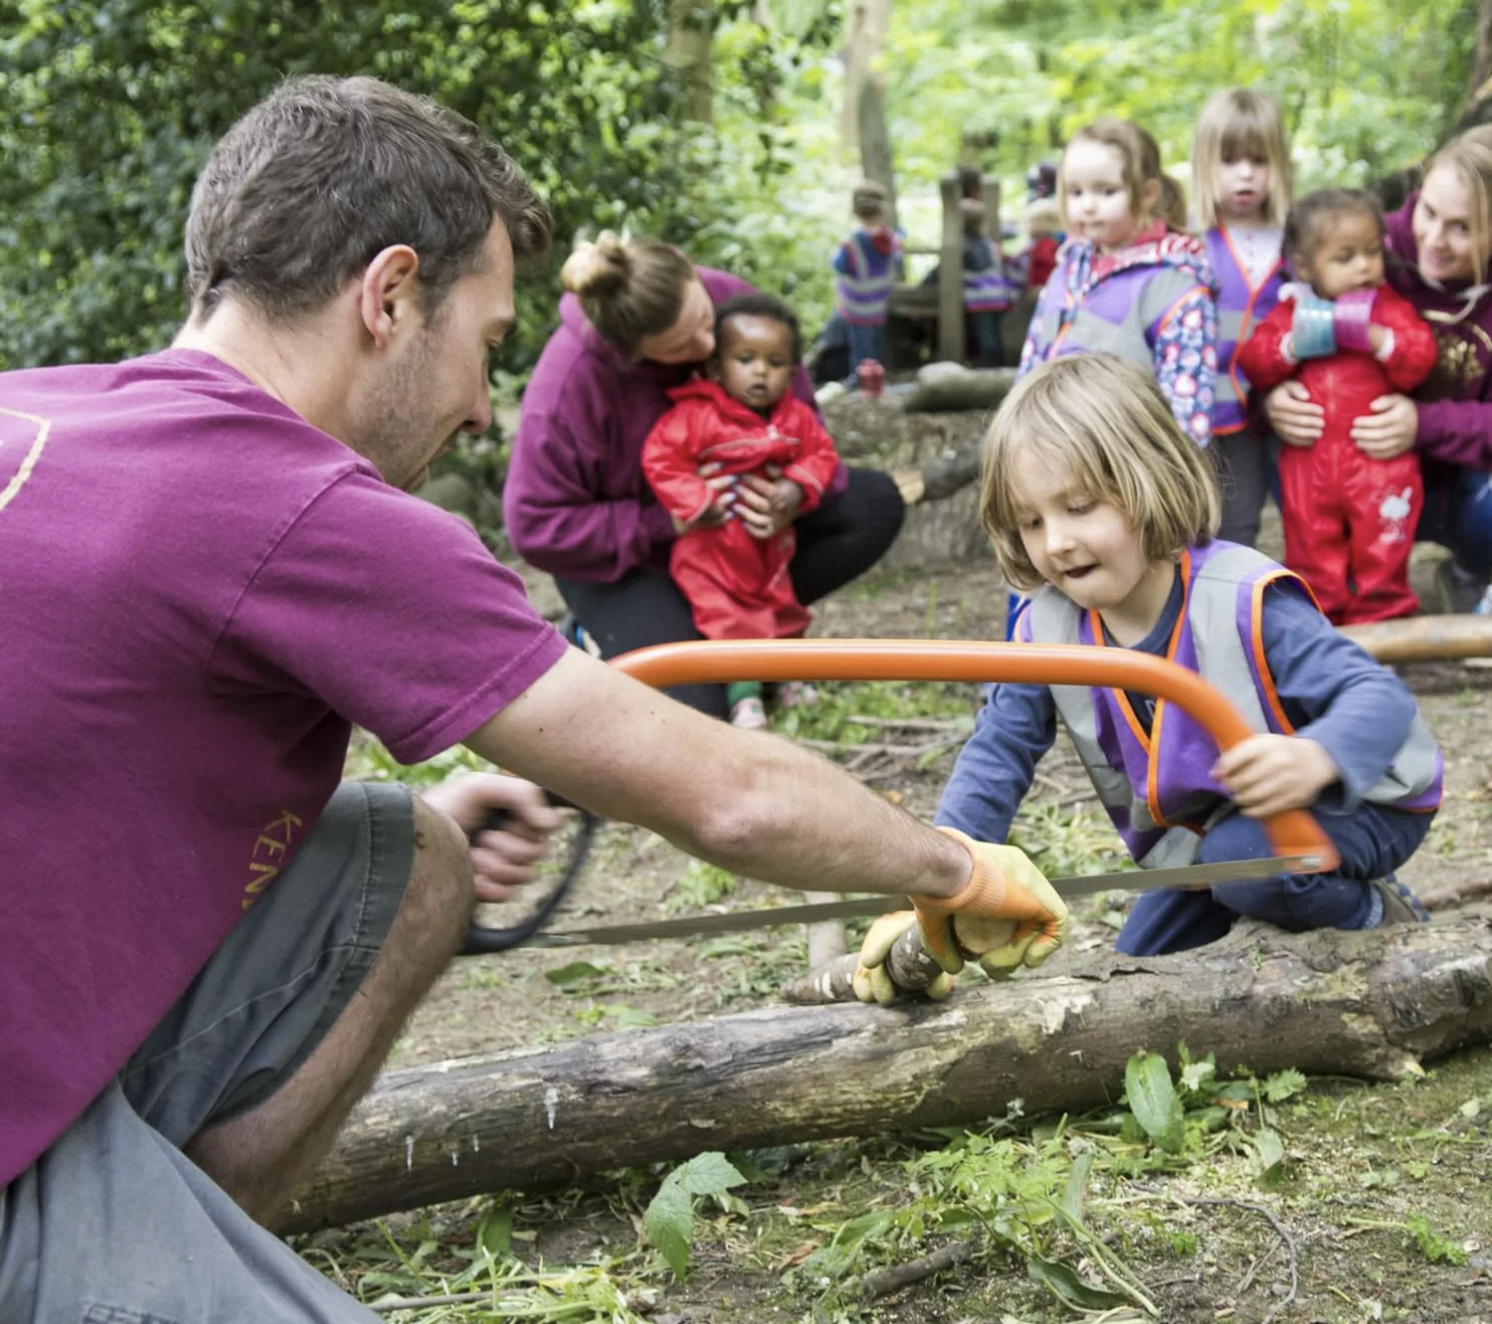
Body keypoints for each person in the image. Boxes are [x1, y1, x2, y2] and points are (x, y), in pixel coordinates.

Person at [0, 76, 1069, 1324]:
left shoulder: (41, 405)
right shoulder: (295, 502)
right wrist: (955, 869)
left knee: (405, 851)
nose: (479, 407)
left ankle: (174, 1253)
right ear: (388, 295)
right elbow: (725, 795)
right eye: (488, 342)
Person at [932, 353, 1441, 960]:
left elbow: (1380, 699)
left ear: (1149, 480)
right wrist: (945, 867)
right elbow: (999, 749)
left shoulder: (1244, 598)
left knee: (1246, 862)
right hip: (1214, 837)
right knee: (1135, 971)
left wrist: (1317, 757)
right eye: (1031, 523)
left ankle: (1381, 922)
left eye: (1079, 506)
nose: (1057, 541)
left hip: (1361, 801)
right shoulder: (1046, 627)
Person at [504, 233, 906, 720]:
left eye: (703, 320)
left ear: (691, 275)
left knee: (874, 504)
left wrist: (794, 492)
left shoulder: (731, 303)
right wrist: (666, 522)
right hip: (636, 560)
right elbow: (535, 526)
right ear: (632, 354)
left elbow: (805, 425)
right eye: (681, 346)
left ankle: (749, 630)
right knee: (696, 716)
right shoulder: (569, 385)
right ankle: (617, 632)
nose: (708, 344)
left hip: (742, 541)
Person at [1263, 126, 1492, 613]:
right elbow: (1275, 328)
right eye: (1429, 212)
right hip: (1350, 460)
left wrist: (1422, 424)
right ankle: (1326, 594)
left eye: (1463, 228)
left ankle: (1471, 570)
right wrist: (1270, 397)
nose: (1433, 239)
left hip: (1463, 482)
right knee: (1285, 448)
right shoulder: (1363, 243)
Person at [1238, 190, 1439, 623]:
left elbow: (1419, 359)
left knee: (1384, 540)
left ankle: (1384, 615)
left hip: (1378, 458)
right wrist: (1292, 343)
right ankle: (1320, 617)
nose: (1364, 266)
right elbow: (1254, 360)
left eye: (1371, 252)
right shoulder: (1292, 308)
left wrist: (1379, 339)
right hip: (1310, 461)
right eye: (1345, 258)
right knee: (1310, 539)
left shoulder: (1387, 306)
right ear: (1307, 265)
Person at [640, 294, 840, 729]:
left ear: (792, 372)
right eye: (745, 359)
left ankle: (787, 677)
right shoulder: (696, 416)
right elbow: (661, 458)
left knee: (783, 608)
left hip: (770, 546)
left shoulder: (796, 419)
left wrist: (796, 486)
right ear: (717, 367)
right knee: (729, 620)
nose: (761, 371)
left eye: (775, 361)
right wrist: (696, 500)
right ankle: (744, 696)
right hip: (710, 552)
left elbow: (822, 454)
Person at [1018, 117, 1220, 447]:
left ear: (1148, 193)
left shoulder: (1175, 290)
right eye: (1075, 191)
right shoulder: (1065, 272)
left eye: (1106, 190)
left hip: (1126, 466)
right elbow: (1030, 364)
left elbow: (1188, 414)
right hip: (1051, 453)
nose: (1088, 205)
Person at [1192, 89, 1293, 547]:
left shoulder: (1300, 241)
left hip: (1292, 407)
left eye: (1259, 160)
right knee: (1234, 524)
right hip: (1221, 417)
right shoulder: (1193, 247)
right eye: (1229, 160)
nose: (1246, 173)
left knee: (1309, 516)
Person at [919, 197, 1018, 367]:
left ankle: (990, 367)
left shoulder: (958, 248)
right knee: (994, 334)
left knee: (986, 336)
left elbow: (941, 271)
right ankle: (995, 364)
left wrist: (924, 286)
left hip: (979, 299)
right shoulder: (990, 245)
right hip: (998, 296)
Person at [829, 178, 903, 372]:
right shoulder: (890, 238)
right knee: (875, 342)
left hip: (857, 305)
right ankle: (878, 374)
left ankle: (862, 379)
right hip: (878, 303)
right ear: (882, 210)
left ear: (855, 211)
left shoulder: (852, 242)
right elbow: (896, 259)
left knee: (861, 347)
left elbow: (839, 265)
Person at [1013, 197, 1063, 292]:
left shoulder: (1046, 244)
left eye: (1030, 221)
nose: (1027, 225)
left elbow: (1046, 263)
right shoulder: (1037, 242)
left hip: (1043, 287)